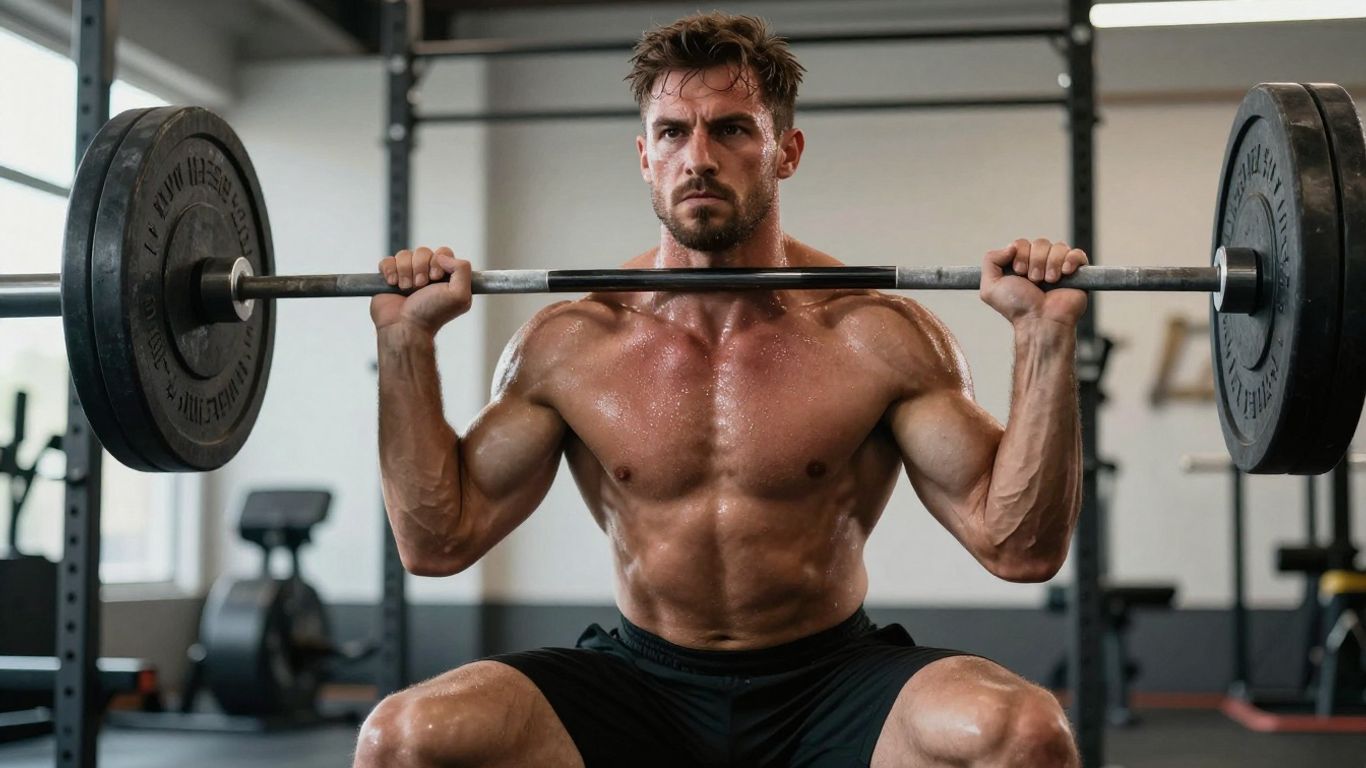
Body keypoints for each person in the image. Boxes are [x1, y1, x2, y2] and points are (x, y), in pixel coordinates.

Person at [356, 11, 1085, 768]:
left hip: (832, 682)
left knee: (1023, 733)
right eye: (672, 132)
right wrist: (404, 343)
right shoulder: (571, 344)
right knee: (402, 741)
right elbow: (437, 543)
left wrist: (1045, 337)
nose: (697, 157)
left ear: (786, 151)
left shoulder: (875, 334)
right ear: (645, 156)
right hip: (638, 683)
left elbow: (1019, 548)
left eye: (732, 129)